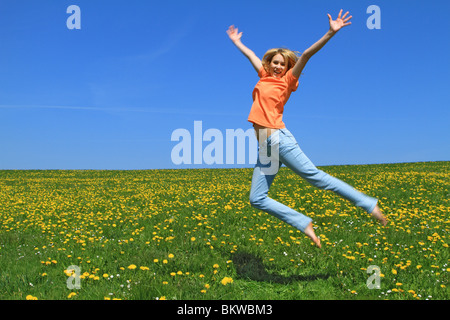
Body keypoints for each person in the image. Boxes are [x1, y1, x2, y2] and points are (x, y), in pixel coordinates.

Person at [227, 10, 387, 249]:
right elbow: (251, 56)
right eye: (275, 63)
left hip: (278, 139)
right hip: (265, 147)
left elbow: (307, 55)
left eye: (282, 64)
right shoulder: (263, 76)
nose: (278, 66)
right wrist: (238, 42)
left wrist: (330, 33)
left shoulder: (288, 81)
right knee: (257, 198)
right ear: (268, 64)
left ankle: (368, 204)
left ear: (287, 66)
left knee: (317, 178)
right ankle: (303, 223)